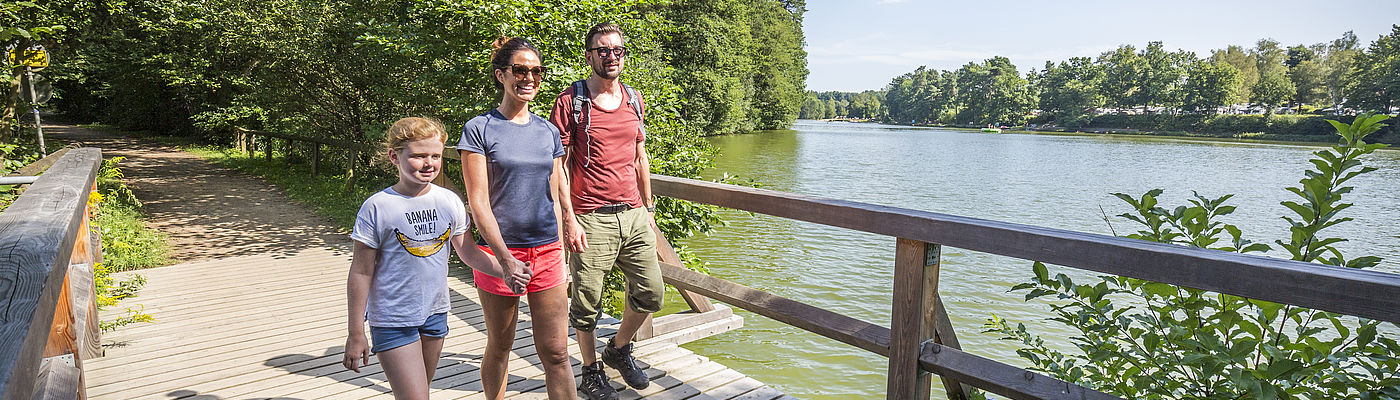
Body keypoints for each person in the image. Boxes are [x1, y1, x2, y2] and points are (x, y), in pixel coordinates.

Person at [343, 117, 526, 400]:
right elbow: (361, 272)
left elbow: (468, 253)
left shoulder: (448, 201)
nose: (428, 163)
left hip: (435, 313)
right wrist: (356, 332)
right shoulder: (377, 207)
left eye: (436, 156)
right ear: (394, 156)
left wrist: (506, 270)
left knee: (420, 392)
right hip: (393, 318)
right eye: (418, 156)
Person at [459, 36, 578, 400]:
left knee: (557, 352)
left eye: (536, 71)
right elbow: (478, 202)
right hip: (499, 254)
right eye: (520, 70)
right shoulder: (479, 129)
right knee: (500, 346)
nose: (529, 78)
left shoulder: (548, 131)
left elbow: (555, 192)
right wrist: (505, 260)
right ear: (502, 75)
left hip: (547, 252)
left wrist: (563, 252)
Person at [549, 23, 662, 400]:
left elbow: (640, 157)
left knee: (651, 293)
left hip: (634, 214)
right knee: (586, 304)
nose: (611, 56)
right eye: (603, 50)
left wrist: (648, 209)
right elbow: (558, 165)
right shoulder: (571, 101)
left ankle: (617, 349)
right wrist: (568, 219)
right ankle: (590, 371)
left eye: (617, 50)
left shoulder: (634, 99)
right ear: (589, 56)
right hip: (590, 217)